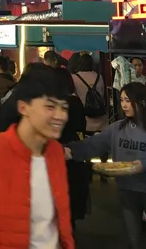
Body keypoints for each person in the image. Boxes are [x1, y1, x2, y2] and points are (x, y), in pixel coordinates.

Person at [0, 66, 75, 249]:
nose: (60, 116)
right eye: (50, 106)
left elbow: (60, 223)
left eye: (64, 108)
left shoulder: (55, 152)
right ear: (23, 107)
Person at [67, 82, 146, 249]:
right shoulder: (117, 128)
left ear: (142, 102)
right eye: (122, 100)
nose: (124, 105)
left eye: (128, 100)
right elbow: (92, 145)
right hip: (127, 192)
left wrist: (144, 166)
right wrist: (69, 151)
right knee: (132, 241)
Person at [51, 66, 90, 232]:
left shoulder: (56, 105)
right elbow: (82, 125)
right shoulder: (76, 102)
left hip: (59, 155)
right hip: (76, 155)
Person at [72, 54, 108, 133]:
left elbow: (75, 97)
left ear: (80, 64)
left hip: (85, 120)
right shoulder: (99, 76)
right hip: (101, 119)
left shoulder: (74, 77)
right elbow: (102, 94)